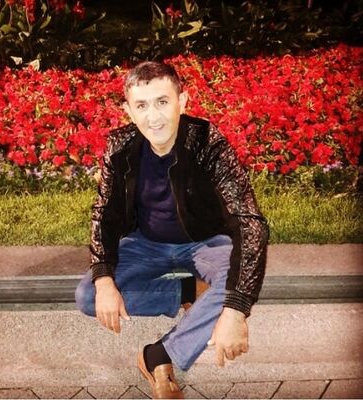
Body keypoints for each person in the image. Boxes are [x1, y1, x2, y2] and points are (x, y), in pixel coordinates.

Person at [75, 61, 269, 399]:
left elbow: (250, 222)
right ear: (128, 111)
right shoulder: (120, 147)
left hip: (205, 242)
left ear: (183, 101)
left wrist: (236, 311)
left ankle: (158, 356)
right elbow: (104, 215)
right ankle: (188, 291)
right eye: (142, 105)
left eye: (162, 102)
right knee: (89, 295)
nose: (154, 117)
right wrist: (104, 281)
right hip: (145, 243)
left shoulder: (208, 143)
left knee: (236, 283)